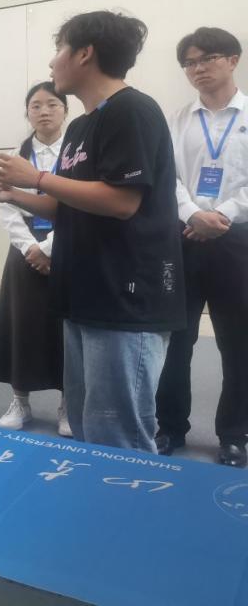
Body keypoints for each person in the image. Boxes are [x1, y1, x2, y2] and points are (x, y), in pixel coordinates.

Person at [0, 10, 184, 453]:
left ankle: (129, 500)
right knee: (87, 423)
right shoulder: (80, 126)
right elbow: (65, 204)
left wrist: (36, 177)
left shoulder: (133, 111)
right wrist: (11, 194)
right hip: (82, 295)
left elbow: (122, 201)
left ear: (85, 54)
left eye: (59, 49)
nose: (52, 61)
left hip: (124, 300)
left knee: (119, 434)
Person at [156, 27, 247, 468]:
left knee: (240, 343)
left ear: (233, 60)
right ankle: (169, 426)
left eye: (207, 58)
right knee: (176, 340)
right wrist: (193, 214)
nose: (198, 69)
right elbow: (166, 177)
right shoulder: (178, 120)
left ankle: (234, 434)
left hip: (238, 241)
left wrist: (221, 215)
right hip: (185, 238)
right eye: (189, 63)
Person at [0, 83, 69, 435]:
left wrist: (49, 247)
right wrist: (30, 248)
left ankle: (68, 404)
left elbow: (78, 205)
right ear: (27, 113)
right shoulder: (12, 157)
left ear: (65, 110)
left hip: (68, 244)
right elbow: (4, 205)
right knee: (20, 325)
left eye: (52, 104)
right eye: (35, 105)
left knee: (67, 329)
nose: (44, 111)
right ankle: (20, 400)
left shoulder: (78, 154)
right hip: (24, 249)